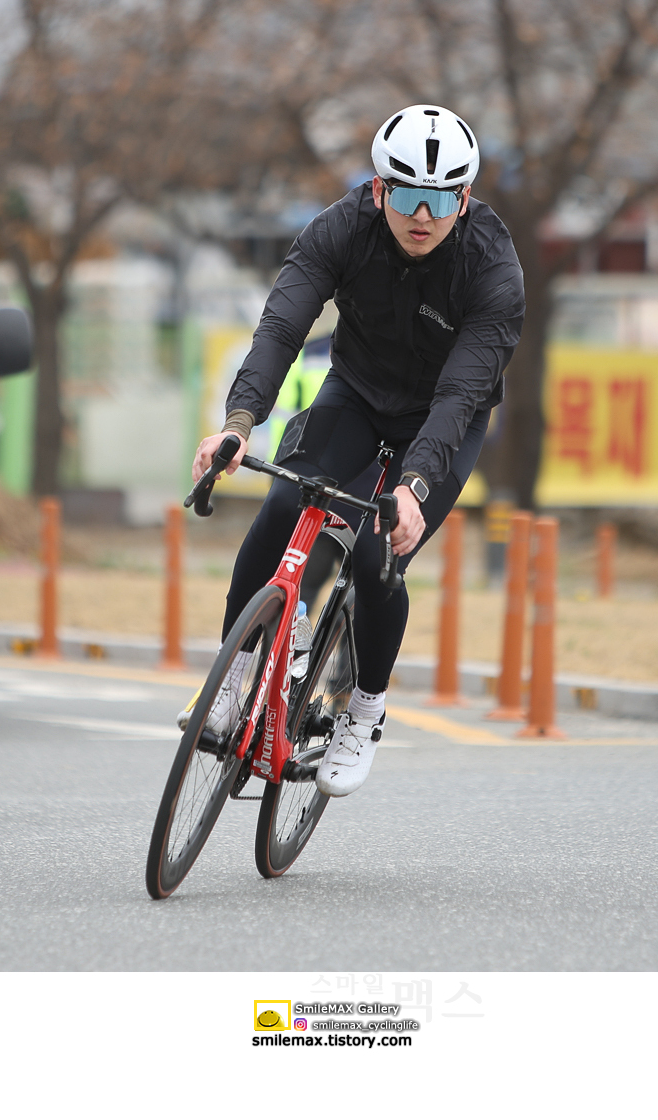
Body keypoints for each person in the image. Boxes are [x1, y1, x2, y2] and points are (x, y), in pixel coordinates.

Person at [189, 104, 525, 796]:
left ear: (464, 200)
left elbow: (459, 395)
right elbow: (281, 327)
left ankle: (364, 710)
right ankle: (235, 675)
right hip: (357, 392)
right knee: (285, 501)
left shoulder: (494, 270)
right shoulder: (340, 228)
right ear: (378, 190)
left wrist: (414, 485)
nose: (422, 215)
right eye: (407, 196)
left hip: (443, 420)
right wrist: (239, 422)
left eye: (441, 200)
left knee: (376, 556)